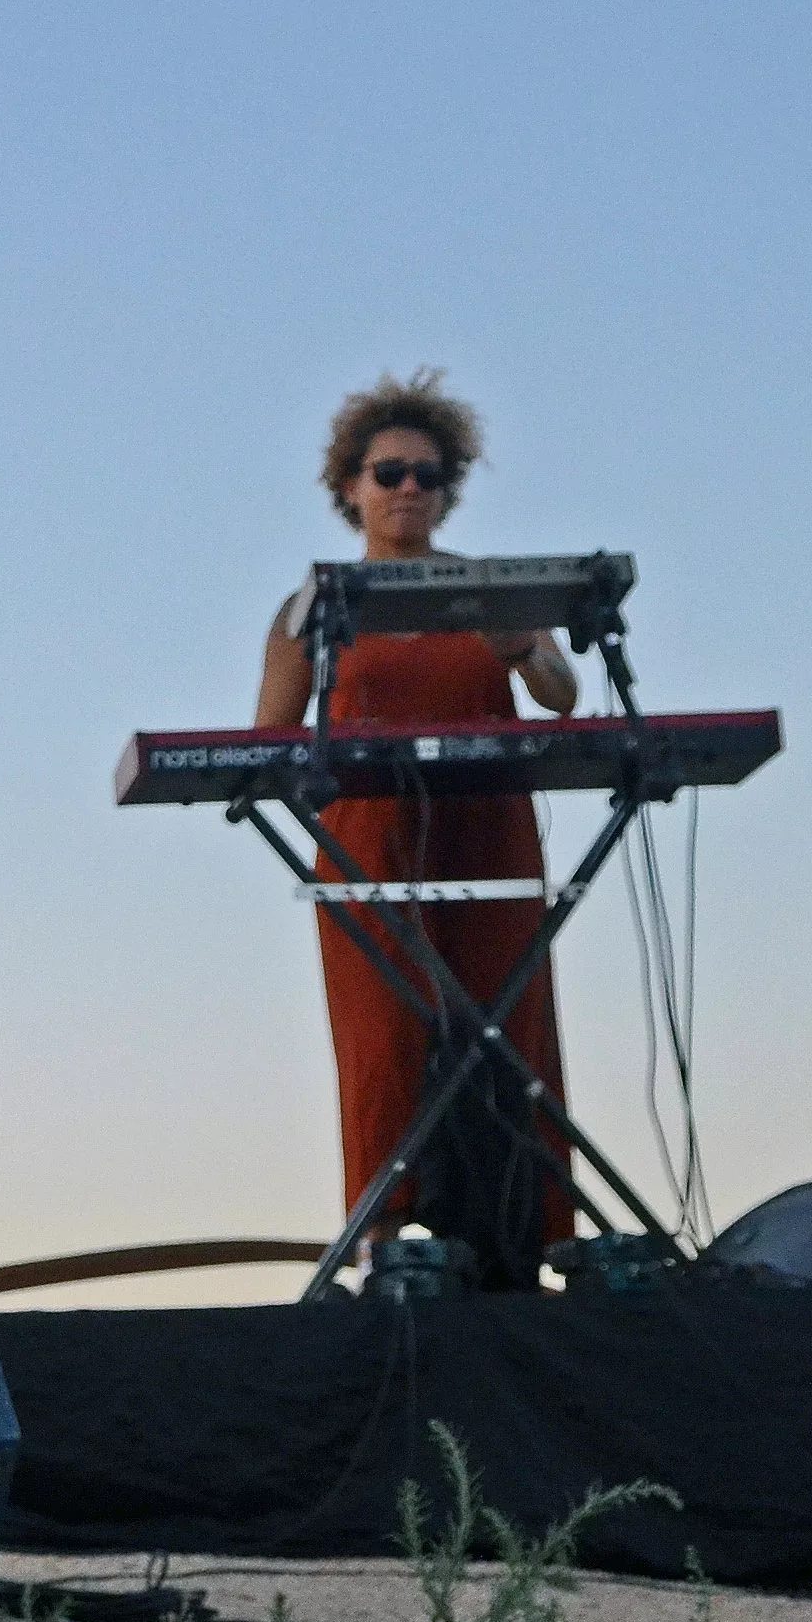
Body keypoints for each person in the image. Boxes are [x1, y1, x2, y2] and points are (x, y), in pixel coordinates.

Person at [251, 371, 577, 1281]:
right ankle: (389, 1239)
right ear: (349, 485)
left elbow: (561, 696)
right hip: (371, 843)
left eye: (426, 476)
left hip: (488, 835)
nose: (407, 490)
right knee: (385, 1038)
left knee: (511, 1024)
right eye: (387, 472)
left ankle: (540, 1234)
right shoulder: (309, 610)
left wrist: (521, 646)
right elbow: (268, 740)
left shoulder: (488, 592)